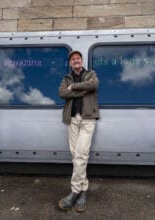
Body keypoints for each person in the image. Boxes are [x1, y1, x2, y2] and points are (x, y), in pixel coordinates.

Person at [58, 50, 100, 212]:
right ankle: (83, 190)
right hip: (73, 119)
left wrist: (74, 87)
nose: (76, 61)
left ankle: (75, 191)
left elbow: (93, 85)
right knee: (76, 155)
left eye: (78, 58)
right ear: (70, 63)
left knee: (81, 154)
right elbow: (62, 93)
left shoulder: (91, 74)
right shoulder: (65, 78)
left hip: (88, 119)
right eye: (73, 59)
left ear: (81, 61)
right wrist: (82, 91)